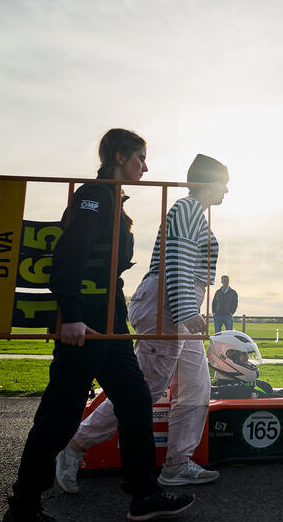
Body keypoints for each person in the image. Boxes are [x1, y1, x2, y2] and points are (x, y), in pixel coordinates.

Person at [0, 129, 193, 522]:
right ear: (119, 157)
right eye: (140, 158)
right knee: (61, 415)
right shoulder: (95, 194)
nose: (146, 166)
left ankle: (144, 495)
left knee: (137, 400)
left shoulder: (114, 201)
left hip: (110, 321)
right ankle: (22, 509)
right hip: (84, 321)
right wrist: (69, 314)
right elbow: (66, 257)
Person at [55, 153, 228, 492]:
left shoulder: (196, 214)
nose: (227, 190)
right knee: (145, 389)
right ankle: (74, 447)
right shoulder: (187, 208)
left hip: (178, 301)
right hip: (167, 300)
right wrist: (185, 311)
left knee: (195, 385)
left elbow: (185, 267)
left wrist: (191, 308)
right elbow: (175, 260)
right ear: (209, 182)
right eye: (225, 182)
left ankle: (177, 464)